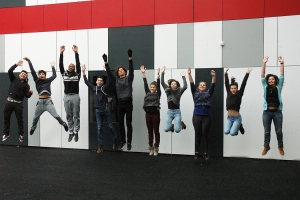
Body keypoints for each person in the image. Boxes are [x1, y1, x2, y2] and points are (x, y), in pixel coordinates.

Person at [23, 57, 68, 135]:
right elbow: (33, 72)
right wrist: (29, 62)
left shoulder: (48, 80)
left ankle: (63, 124)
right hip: (40, 102)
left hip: (48, 102)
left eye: (43, 74)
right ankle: (33, 128)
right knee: (35, 118)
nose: (41, 75)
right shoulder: (37, 80)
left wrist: (53, 66)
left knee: (56, 116)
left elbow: (54, 75)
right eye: (40, 74)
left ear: (45, 76)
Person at [82, 63, 118, 153]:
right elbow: (86, 82)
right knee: (99, 128)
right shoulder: (94, 88)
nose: (100, 82)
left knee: (110, 126)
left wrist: (106, 71)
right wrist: (83, 72)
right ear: (96, 82)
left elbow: (110, 80)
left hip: (105, 109)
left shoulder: (104, 88)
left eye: (101, 80)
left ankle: (115, 140)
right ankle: (100, 145)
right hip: (98, 110)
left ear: (102, 82)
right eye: (98, 80)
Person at [104, 50, 134, 151]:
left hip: (128, 103)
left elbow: (132, 70)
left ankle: (129, 141)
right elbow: (109, 74)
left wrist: (130, 59)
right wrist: (106, 63)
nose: (120, 71)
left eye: (122, 70)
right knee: (121, 123)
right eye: (119, 70)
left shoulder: (129, 79)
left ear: (125, 72)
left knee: (128, 123)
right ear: (117, 72)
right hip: (120, 104)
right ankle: (123, 141)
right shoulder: (116, 80)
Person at [188, 67, 216, 160]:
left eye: (204, 85)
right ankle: (196, 152)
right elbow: (191, 83)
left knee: (205, 133)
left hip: (207, 116)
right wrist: (189, 74)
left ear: (206, 87)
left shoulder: (209, 92)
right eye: (201, 85)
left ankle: (206, 152)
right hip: (196, 115)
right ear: (198, 87)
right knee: (198, 133)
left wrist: (214, 76)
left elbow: (213, 84)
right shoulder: (195, 92)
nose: (202, 86)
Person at [2, 60, 33, 142]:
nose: (23, 75)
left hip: (18, 104)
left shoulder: (26, 85)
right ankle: (6, 133)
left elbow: (27, 96)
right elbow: (10, 71)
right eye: (22, 73)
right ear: (19, 75)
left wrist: (30, 93)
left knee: (19, 119)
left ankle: (21, 134)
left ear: (26, 77)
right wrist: (16, 64)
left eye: (25, 74)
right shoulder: (13, 79)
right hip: (9, 102)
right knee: (6, 118)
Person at [261, 56, 285, 156]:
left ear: (275, 80)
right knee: (267, 131)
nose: (271, 80)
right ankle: (266, 146)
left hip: (277, 112)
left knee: (279, 131)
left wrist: (282, 63)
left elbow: (282, 74)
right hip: (267, 112)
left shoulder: (278, 86)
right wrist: (264, 63)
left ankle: (280, 146)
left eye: (272, 79)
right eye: (269, 79)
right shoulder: (265, 86)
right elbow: (262, 75)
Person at [59, 45, 81, 142]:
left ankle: (76, 132)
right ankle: (71, 132)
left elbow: (78, 64)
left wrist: (76, 53)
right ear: (68, 68)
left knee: (76, 114)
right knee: (69, 115)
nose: (71, 67)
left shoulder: (77, 74)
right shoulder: (64, 74)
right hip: (66, 96)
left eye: (73, 66)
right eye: (70, 66)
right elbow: (60, 65)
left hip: (75, 96)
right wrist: (61, 53)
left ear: (74, 68)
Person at [224, 67, 252, 136]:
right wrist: (225, 73)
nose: (233, 90)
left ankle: (239, 126)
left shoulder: (239, 94)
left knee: (233, 133)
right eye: (232, 88)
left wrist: (247, 73)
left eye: (235, 88)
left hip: (237, 118)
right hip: (229, 118)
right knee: (226, 132)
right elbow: (226, 83)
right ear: (230, 89)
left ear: (237, 89)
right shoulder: (229, 93)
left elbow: (243, 84)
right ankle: (237, 126)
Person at [140, 65, 161, 156]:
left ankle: (156, 147)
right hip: (148, 114)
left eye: (154, 87)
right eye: (151, 87)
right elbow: (145, 82)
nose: (152, 88)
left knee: (156, 131)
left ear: (156, 88)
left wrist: (158, 75)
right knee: (149, 131)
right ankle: (150, 147)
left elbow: (159, 86)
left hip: (155, 114)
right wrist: (143, 73)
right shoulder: (147, 93)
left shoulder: (157, 94)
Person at [161, 66, 187, 133]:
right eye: (172, 84)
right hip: (169, 112)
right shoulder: (168, 91)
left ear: (177, 85)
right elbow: (162, 82)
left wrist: (183, 77)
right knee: (166, 129)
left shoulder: (179, 91)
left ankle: (181, 124)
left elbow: (185, 86)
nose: (173, 85)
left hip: (177, 112)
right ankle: (172, 126)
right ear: (170, 85)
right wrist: (162, 72)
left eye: (174, 84)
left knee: (177, 130)